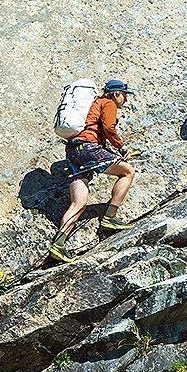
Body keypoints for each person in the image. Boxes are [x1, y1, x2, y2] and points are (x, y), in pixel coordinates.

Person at [49, 78, 136, 261]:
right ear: (116, 94)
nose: (126, 100)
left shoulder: (93, 106)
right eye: (125, 96)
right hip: (89, 148)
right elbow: (108, 127)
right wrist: (122, 148)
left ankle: (58, 244)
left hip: (73, 151)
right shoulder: (108, 103)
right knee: (127, 172)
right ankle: (110, 216)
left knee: (78, 203)